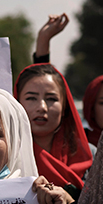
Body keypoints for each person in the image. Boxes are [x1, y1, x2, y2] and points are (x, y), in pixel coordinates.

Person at [14, 63, 93, 197]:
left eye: (51, 99)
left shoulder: (90, 155)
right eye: (31, 98)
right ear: (16, 103)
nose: (42, 107)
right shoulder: (6, 155)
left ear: (64, 108)